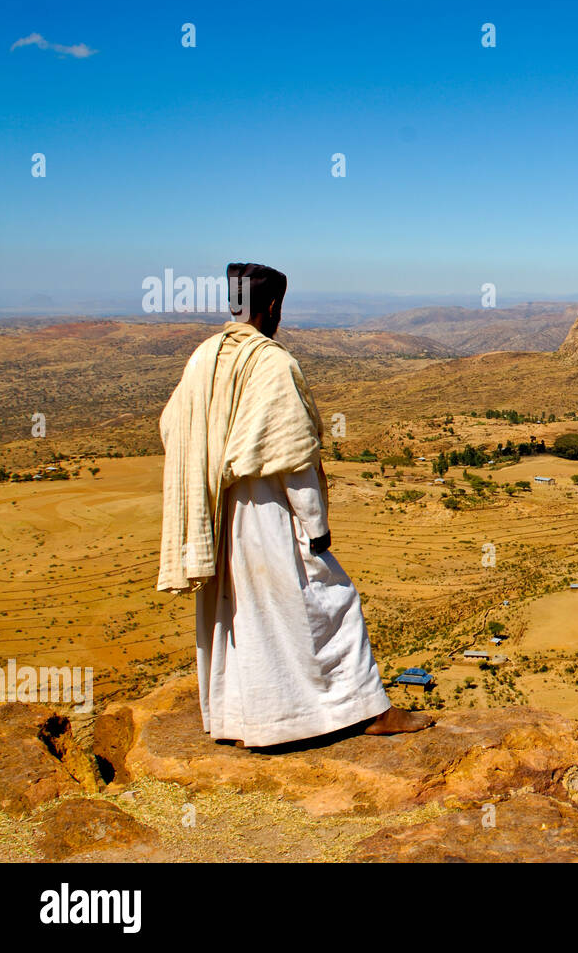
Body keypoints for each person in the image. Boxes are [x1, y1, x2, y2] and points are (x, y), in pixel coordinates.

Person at [157, 262, 432, 747]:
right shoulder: (272, 362)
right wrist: (316, 526)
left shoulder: (202, 357)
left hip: (220, 509)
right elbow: (295, 460)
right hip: (266, 511)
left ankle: (245, 722)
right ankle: (366, 711)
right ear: (272, 306)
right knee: (333, 600)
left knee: (238, 613)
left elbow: (171, 426)